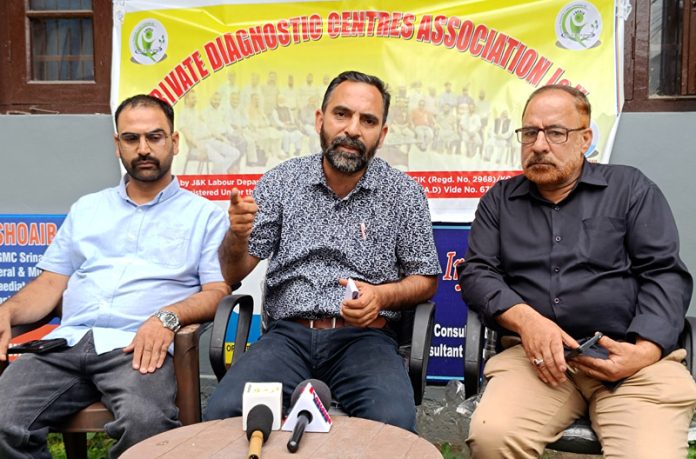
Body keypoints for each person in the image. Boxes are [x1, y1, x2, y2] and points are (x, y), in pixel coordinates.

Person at [457, 84, 696, 458]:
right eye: (530, 132)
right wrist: (529, 323)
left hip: (629, 357)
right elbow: (477, 274)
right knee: (494, 437)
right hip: (537, 361)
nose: (538, 144)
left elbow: (664, 273)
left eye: (555, 132)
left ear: (585, 139)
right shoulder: (500, 201)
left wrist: (644, 352)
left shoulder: (629, 189)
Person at [205, 70, 441, 432]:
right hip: (287, 337)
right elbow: (234, 273)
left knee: (392, 424)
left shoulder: (404, 193)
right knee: (225, 415)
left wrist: (381, 296)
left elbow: (425, 279)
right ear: (321, 119)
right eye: (341, 114)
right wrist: (237, 235)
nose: (353, 129)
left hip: (365, 339)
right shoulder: (282, 182)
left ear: (383, 133)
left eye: (368, 120)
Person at [0, 94, 230, 458]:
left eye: (154, 137)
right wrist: (7, 312)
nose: (143, 148)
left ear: (174, 142)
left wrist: (167, 317)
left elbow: (218, 290)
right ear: (116, 144)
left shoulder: (204, 216)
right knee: (2, 420)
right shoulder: (88, 208)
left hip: (137, 348)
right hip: (66, 344)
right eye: (131, 138)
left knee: (145, 424)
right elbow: (50, 284)